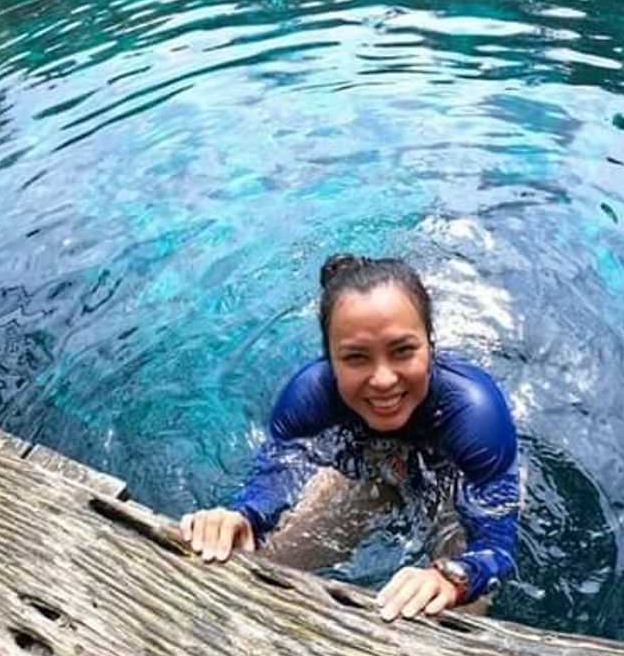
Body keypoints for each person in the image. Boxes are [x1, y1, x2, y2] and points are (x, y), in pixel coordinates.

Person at [180, 255, 520, 622]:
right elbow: (277, 474)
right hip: (368, 469)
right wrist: (244, 516)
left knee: (448, 614)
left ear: (430, 345)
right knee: (256, 568)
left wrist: (454, 578)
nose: (383, 380)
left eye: (403, 350)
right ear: (330, 360)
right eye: (356, 358)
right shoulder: (310, 394)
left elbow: (496, 544)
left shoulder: (475, 412)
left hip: (453, 486)